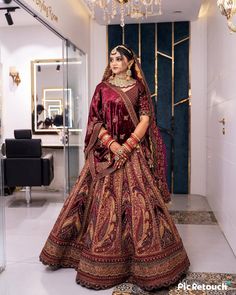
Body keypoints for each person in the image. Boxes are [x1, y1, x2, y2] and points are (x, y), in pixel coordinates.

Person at [39, 44, 190, 291]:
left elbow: (145, 119)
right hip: (104, 155)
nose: (114, 62)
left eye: (119, 59)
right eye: (111, 58)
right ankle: (83, 255)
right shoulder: (102, 89)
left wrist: (128, 146)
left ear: (130, 62)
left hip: (132, 154)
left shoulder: (139, 88)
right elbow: (95, 121)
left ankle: (143, 263)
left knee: (140, 205)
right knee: (96, 204)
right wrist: (111, 145)